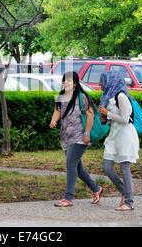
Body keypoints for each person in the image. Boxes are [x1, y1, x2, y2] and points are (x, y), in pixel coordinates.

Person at [49, 71, 103, 207]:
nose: (65, 83)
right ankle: (96, 188)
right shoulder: (61, 97)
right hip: (66, 136)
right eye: (64, 81)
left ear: (75, 83)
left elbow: (90, 115)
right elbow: (57, 111)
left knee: (71, 165)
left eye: (68, 81)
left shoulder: (82, 97)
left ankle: (68, 198)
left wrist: (87, 134)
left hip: (80, 136)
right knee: (77, 167)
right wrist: (53, 121)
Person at [98, 71, 139, 211]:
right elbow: (114, 118)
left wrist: (107, 113)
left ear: (110, 81)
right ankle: (124, 192)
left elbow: (126, 119)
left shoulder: (121, 96)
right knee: (106, 167)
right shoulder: (108, 96)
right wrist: (105, 119)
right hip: (113, 135)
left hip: (125, 136)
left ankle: (129, 202)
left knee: (124, 168)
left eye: (102, 81)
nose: (100, 84)